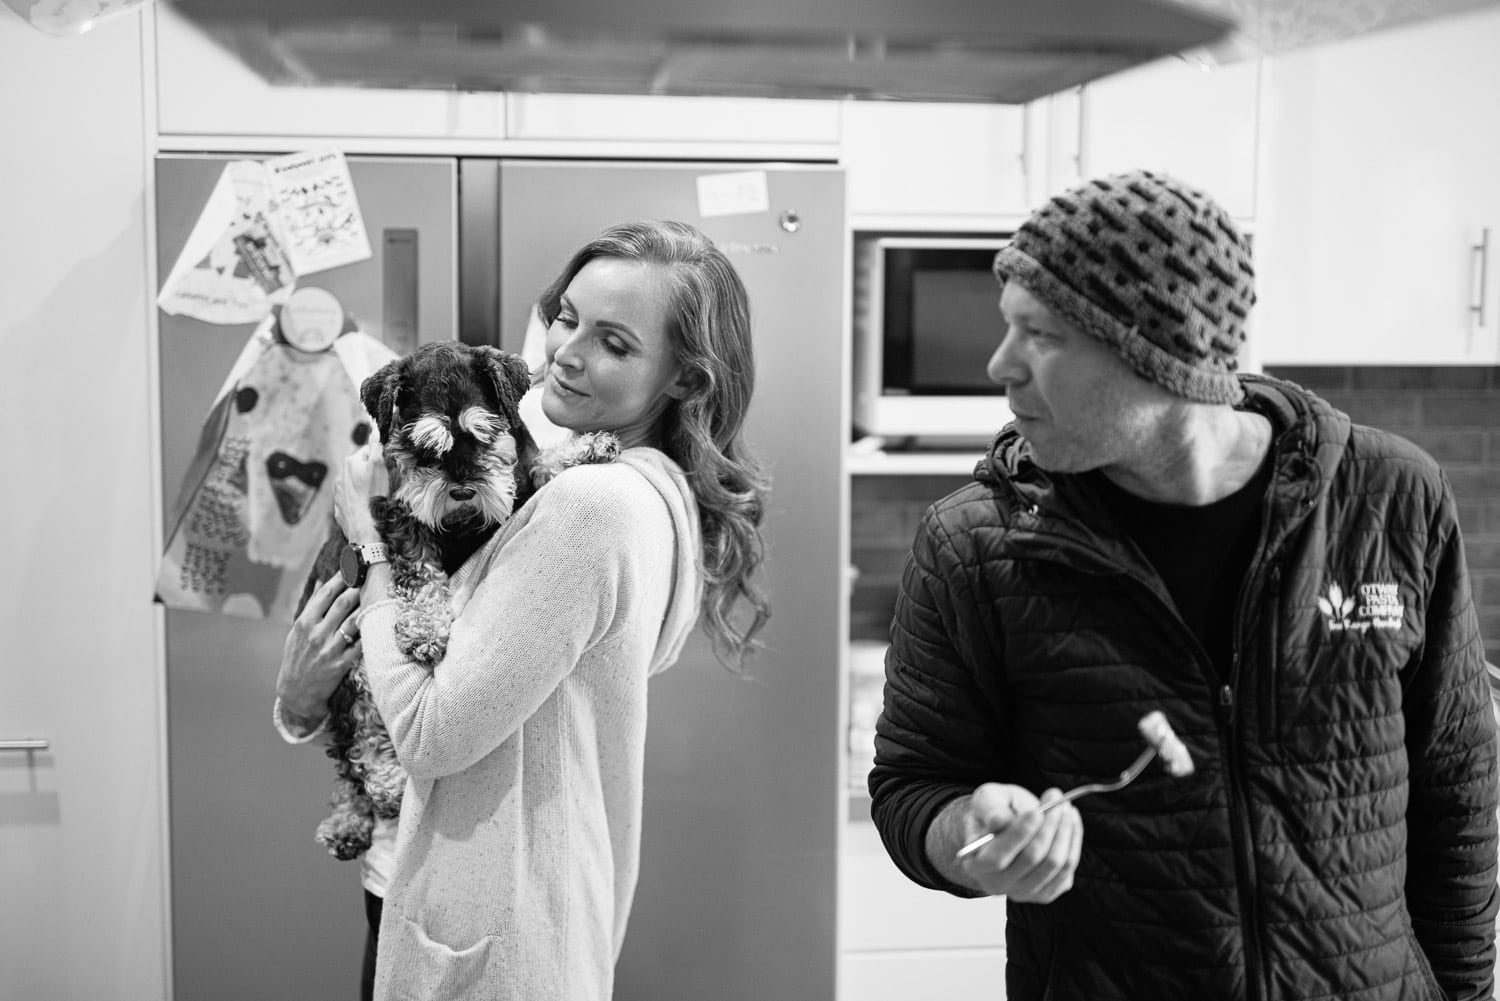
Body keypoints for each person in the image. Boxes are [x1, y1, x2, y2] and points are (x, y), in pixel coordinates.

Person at [868, 169, 1498, 1001]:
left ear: (1160, 353)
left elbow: (1456, 781)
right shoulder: (976, 545)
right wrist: (969, 837)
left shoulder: (1389, 498)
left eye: (1043, 334)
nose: (1000, 365)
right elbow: (914, 787)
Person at [275, 218, 771, 1001]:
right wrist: (302, 701)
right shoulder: (656, 489)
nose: (567, 352)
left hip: (487, 930)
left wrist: (370, 537)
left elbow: (433, 731)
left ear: (685, 378)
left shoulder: (591, 505)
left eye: (615, 342)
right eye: (565, 316)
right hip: (481, 889)